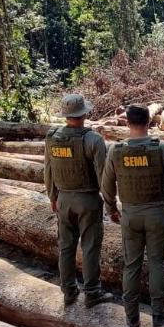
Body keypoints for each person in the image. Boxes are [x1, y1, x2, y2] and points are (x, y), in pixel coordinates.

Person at [102, 104, 164, 327]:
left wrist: (111, 207)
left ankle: (131, 316)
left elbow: (107, 185)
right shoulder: (162, 148)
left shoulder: (116, 150)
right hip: (157, 214)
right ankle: (159, 315)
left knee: (132, 265)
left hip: (130, 214)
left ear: (127, 123)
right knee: (157, 263)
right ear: (149, 122)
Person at [44, 93, 114, 307]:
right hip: (88, 200)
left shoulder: (52, 136)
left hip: (63, 198)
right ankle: (92, 292)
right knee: (90, 246)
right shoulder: (93, 139)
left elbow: (48, 169)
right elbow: (104, 176)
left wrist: (52, 196)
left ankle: (68, 290)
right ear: (83, 114)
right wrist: (111, 205)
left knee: (66, 246)